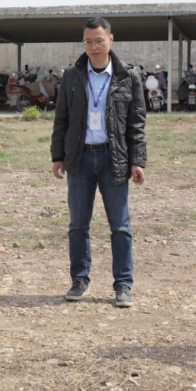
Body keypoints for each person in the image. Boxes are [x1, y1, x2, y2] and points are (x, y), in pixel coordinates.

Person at [51, 17, 147, 307]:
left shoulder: (128, 77)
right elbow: (61, 119)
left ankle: (123, 285)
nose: (94, 46)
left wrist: (137, 160)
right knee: (78, 225)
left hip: (112, 158)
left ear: (111, 40)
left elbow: (136, 123)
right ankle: (79, 280)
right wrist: (57, 156)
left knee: (120, 225)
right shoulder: (72, 76)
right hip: (79, 159)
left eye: (99, 40)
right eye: (88, 41)